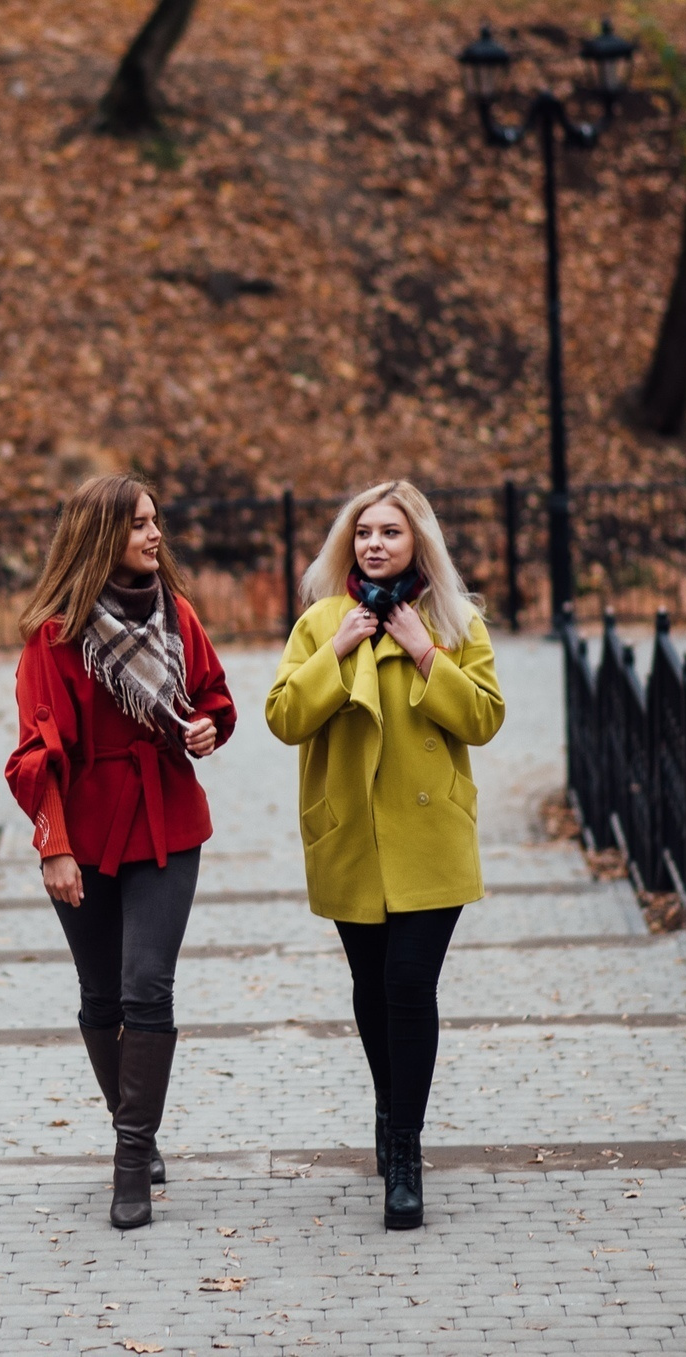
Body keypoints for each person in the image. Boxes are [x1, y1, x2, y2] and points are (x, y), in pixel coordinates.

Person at [264, 479, 503, 1230]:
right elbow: (282, 717)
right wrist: (336, 653)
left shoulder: (456, 621)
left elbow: (486, 718)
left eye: (390, 532)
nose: (374, 543)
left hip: (431, 838)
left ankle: (405, 1148)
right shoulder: (321, 622)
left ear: (417, 541)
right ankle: (390, 1104)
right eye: (363, 532)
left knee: (408, 982)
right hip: (352, 835)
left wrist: (426, 653)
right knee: (371, 986)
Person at [5, 473, 235, 1229]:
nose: (155, 534)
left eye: (155, 520)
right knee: (101, 995)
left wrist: (208, 727)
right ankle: (136, 1126)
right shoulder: (54, 636)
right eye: (138, 523)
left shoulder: (178, 614)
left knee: (147, 988)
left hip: (168, 819)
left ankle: (131, 1158)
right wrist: (54, 846)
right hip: (85, 832)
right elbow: (36, 750)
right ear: (101, 535)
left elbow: (213, 695)